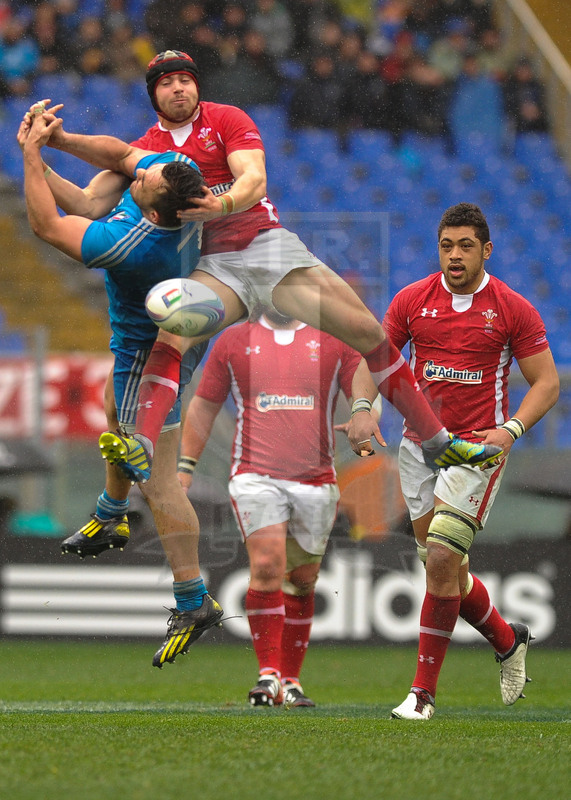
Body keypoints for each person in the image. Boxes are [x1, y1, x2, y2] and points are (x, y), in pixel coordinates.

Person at [64, 49, 502, 488]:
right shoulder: (146, 151)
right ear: (153, 95)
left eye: (185, 79)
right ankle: (141, 442)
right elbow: (87, 199)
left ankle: (437, 442)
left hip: (265, 247)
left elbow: (254, 179)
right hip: (211, 264)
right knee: (171, 336)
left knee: (368, 333)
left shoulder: (226, 120)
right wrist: (41, 153)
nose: (178, 87)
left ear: (197, 85)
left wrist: (223, 203)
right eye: (165, 82)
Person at [17, 106, 223, 667]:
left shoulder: (133, 245)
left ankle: (192, 598)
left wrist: (33, 156)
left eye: (148, 178)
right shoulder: (174, 176)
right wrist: (59, 141)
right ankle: (111, 512)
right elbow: (118, 154)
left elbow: (47, 225)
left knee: (160, 482)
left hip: (147, 352)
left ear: (155, 206)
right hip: (178, 323)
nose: (143, 169)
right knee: (112, 406)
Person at [384, 203, 559, 720]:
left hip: (477, 453)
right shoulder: (411, 301)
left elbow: (547, 383)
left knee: (440, 560)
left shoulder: (511, 308)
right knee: (448, 572)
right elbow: (375, 361)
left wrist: (511, 430)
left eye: (465, 246)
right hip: (419, 447)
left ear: (486, 250)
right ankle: (508, 640)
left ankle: (421, 694)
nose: (454, 256)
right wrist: (364, 407)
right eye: (446, 245)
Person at [177, 307, 382, 707]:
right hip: (255, 474)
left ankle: (291, 680)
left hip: (317, 479)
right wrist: (185, 467)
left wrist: (364, 415)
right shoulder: (235, 341)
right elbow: (204, 405)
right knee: (268, 564)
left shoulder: (333, 338)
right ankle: (268, 675)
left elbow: (364, 386)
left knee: (302, 579)